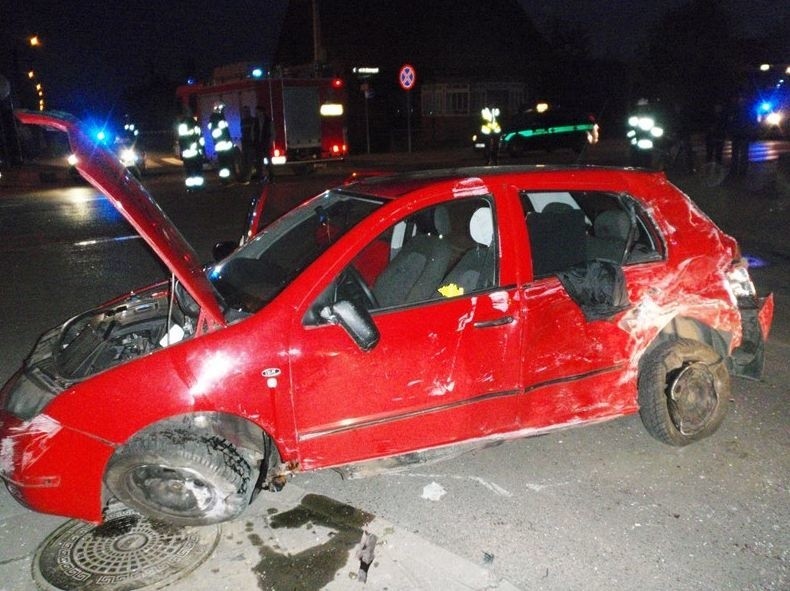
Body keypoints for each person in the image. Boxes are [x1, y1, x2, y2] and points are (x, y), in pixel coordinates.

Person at [176, 113, 205, 190]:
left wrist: (182, 152)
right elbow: (201, 140)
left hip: (187, 154)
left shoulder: (182, 126)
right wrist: (202, 151)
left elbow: (181, 141)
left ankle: (190, 188)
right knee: (198, 170)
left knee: (189, 171)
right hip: (197, 153)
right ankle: (199, 187)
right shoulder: (197, 126)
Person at [727, 93, 753, 177]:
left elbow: (752, 122)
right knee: (738, 154)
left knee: (741, 154)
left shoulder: (743, 109)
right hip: (739, 134)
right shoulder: (737, 109)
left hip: (742, 134)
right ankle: (737, 171)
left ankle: (739, 172)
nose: (741, 100)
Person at [207, 102, 234, 181]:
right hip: (222, 145)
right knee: (224, 163)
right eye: (221, 108)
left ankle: (226, 179)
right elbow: (217, 133)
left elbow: (226, 131)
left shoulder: (219, 117)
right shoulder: (215, 118)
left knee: (226, 163)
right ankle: (225, 180)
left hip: (224, 145)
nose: (223, 110)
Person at [253, 105, 274, 181]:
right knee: (259, 161)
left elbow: (272, 132)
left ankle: (271, 176)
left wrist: (270, 142)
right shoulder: (255, 121)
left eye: (257, 111)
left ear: (262, 112)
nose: (256, 113)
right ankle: (260, 176)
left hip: (265, 143)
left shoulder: (268, 121)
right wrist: (254, 141)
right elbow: (253, 132)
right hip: (258, 143)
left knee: (268, 160)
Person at [240, 105, 255, 182]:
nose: (245, 113)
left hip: (251, 144)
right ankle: (246, 176)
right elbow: (243, 133)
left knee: (250, 161)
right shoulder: (242, 121)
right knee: (245, 161)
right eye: (244, 111)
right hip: (245, 144)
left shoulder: (253, 120)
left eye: (247, 111)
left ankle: (249, 177)